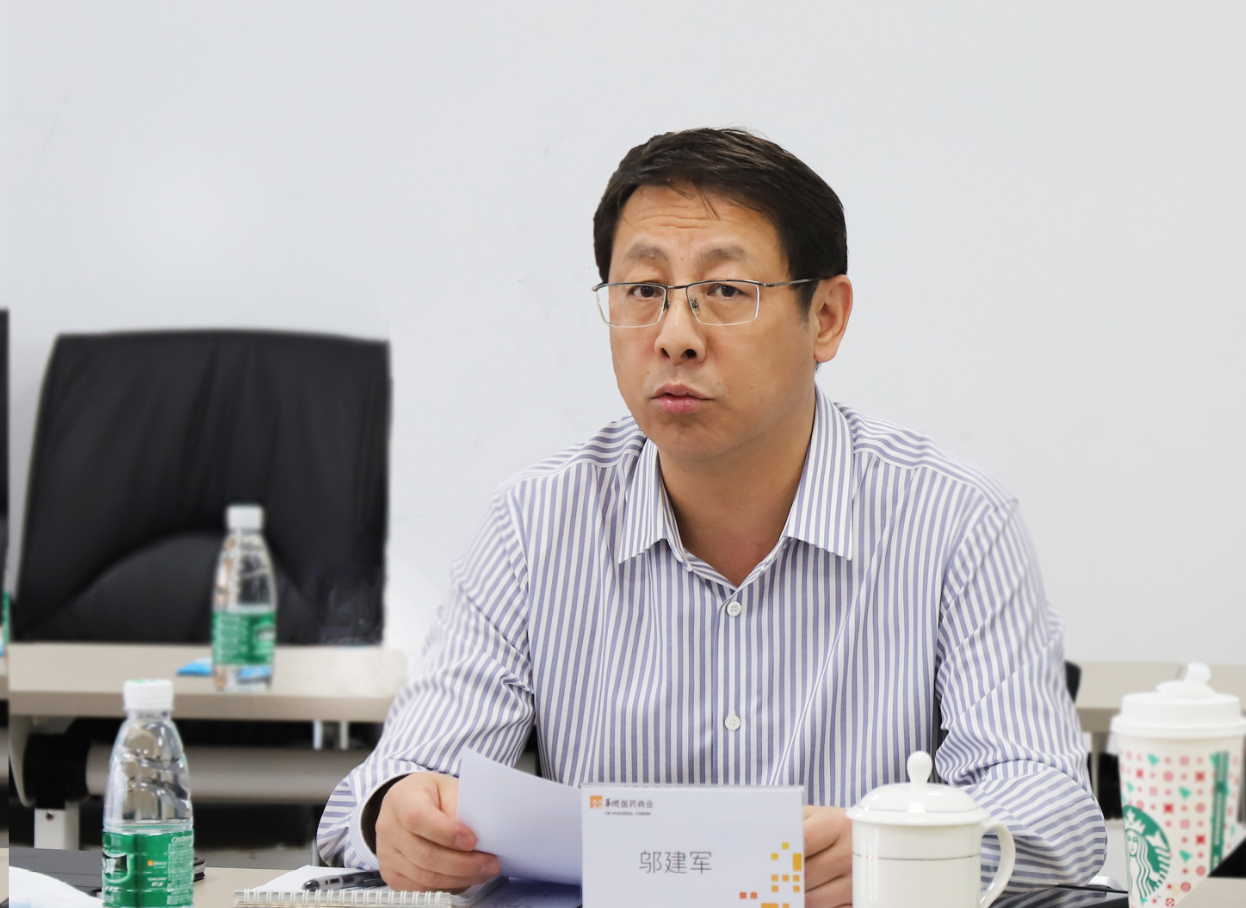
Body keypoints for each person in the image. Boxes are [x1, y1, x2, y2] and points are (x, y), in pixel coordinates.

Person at [317, 128, 1106, 906]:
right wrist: (401, 815)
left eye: (726, 292)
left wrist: (893, 854)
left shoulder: (955, 520)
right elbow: (391, 786)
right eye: (643, 292)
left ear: (826, 317)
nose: (675, 337)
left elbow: (1053, 810)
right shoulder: (533, 525)